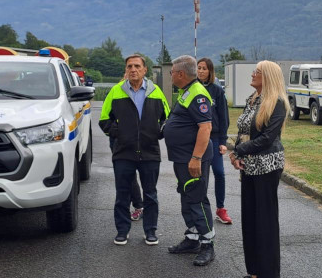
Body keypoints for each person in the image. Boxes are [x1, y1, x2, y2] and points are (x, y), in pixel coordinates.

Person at [225, 60, 289, 278]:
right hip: (249, 166)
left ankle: (269, 273)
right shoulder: (252, 99)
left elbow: (267, 138)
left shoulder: (277, 102)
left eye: (257, 72)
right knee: (250, 219)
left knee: (265, 221)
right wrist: (236, 155)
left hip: (267, 166)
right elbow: (243, 132)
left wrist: (237, 151)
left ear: (268, 77)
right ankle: (254, 272)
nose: (252, 74)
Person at [99, 54, 170, 246]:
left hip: (150, 152)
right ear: (126, 70)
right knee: (122, 194)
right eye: (130, 66)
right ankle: (122, 231)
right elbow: (104, 120)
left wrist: (158, 133)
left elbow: (167, 119)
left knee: (150, 195)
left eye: (137, 66)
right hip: (123, 153)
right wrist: (119, 132)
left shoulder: (156, 92)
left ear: (144, 70)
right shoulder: (115, 91)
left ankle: (150, 231)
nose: (133, 69)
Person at [163, 55, 216, 267]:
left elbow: (206, 128)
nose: (171, 75)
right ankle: (192, 238)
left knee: (197, 199)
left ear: (181, 74)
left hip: (193, 159)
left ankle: (207, 244)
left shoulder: (198, 94)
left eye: (172, 71)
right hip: (182, 158)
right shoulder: (187, 91)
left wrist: (196, 158)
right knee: (187, 198)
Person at [197, 57, 232, 224]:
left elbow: (224, 117)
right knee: (201, 176)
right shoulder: (192, 89)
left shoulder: (217, 91)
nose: (201, 71)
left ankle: (221, 208)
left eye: (205, 68)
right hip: (198, 139)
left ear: (210, 71)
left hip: (215, 138)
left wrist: (223, 141)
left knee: (219, 172)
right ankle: (201, 208)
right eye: (199, 68)